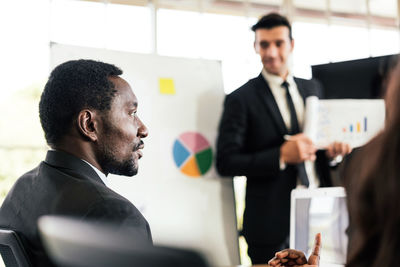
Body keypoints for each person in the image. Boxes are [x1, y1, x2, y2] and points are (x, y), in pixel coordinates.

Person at [216, 13, 351, 263]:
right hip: (269, 223)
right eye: (264, 44)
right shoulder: (241, 98)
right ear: (255, 47)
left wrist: (333, 155)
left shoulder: (314, 88)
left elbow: (319, 147)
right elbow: (226, 161)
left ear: (292, 44)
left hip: (319, 215)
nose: (271, 52)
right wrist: (280, 155)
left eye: (278, 43)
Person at [0, 60, 152, 266]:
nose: (143, 129)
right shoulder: (116, 215)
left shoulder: (21, 190)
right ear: (89, 125)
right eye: (132, 113)